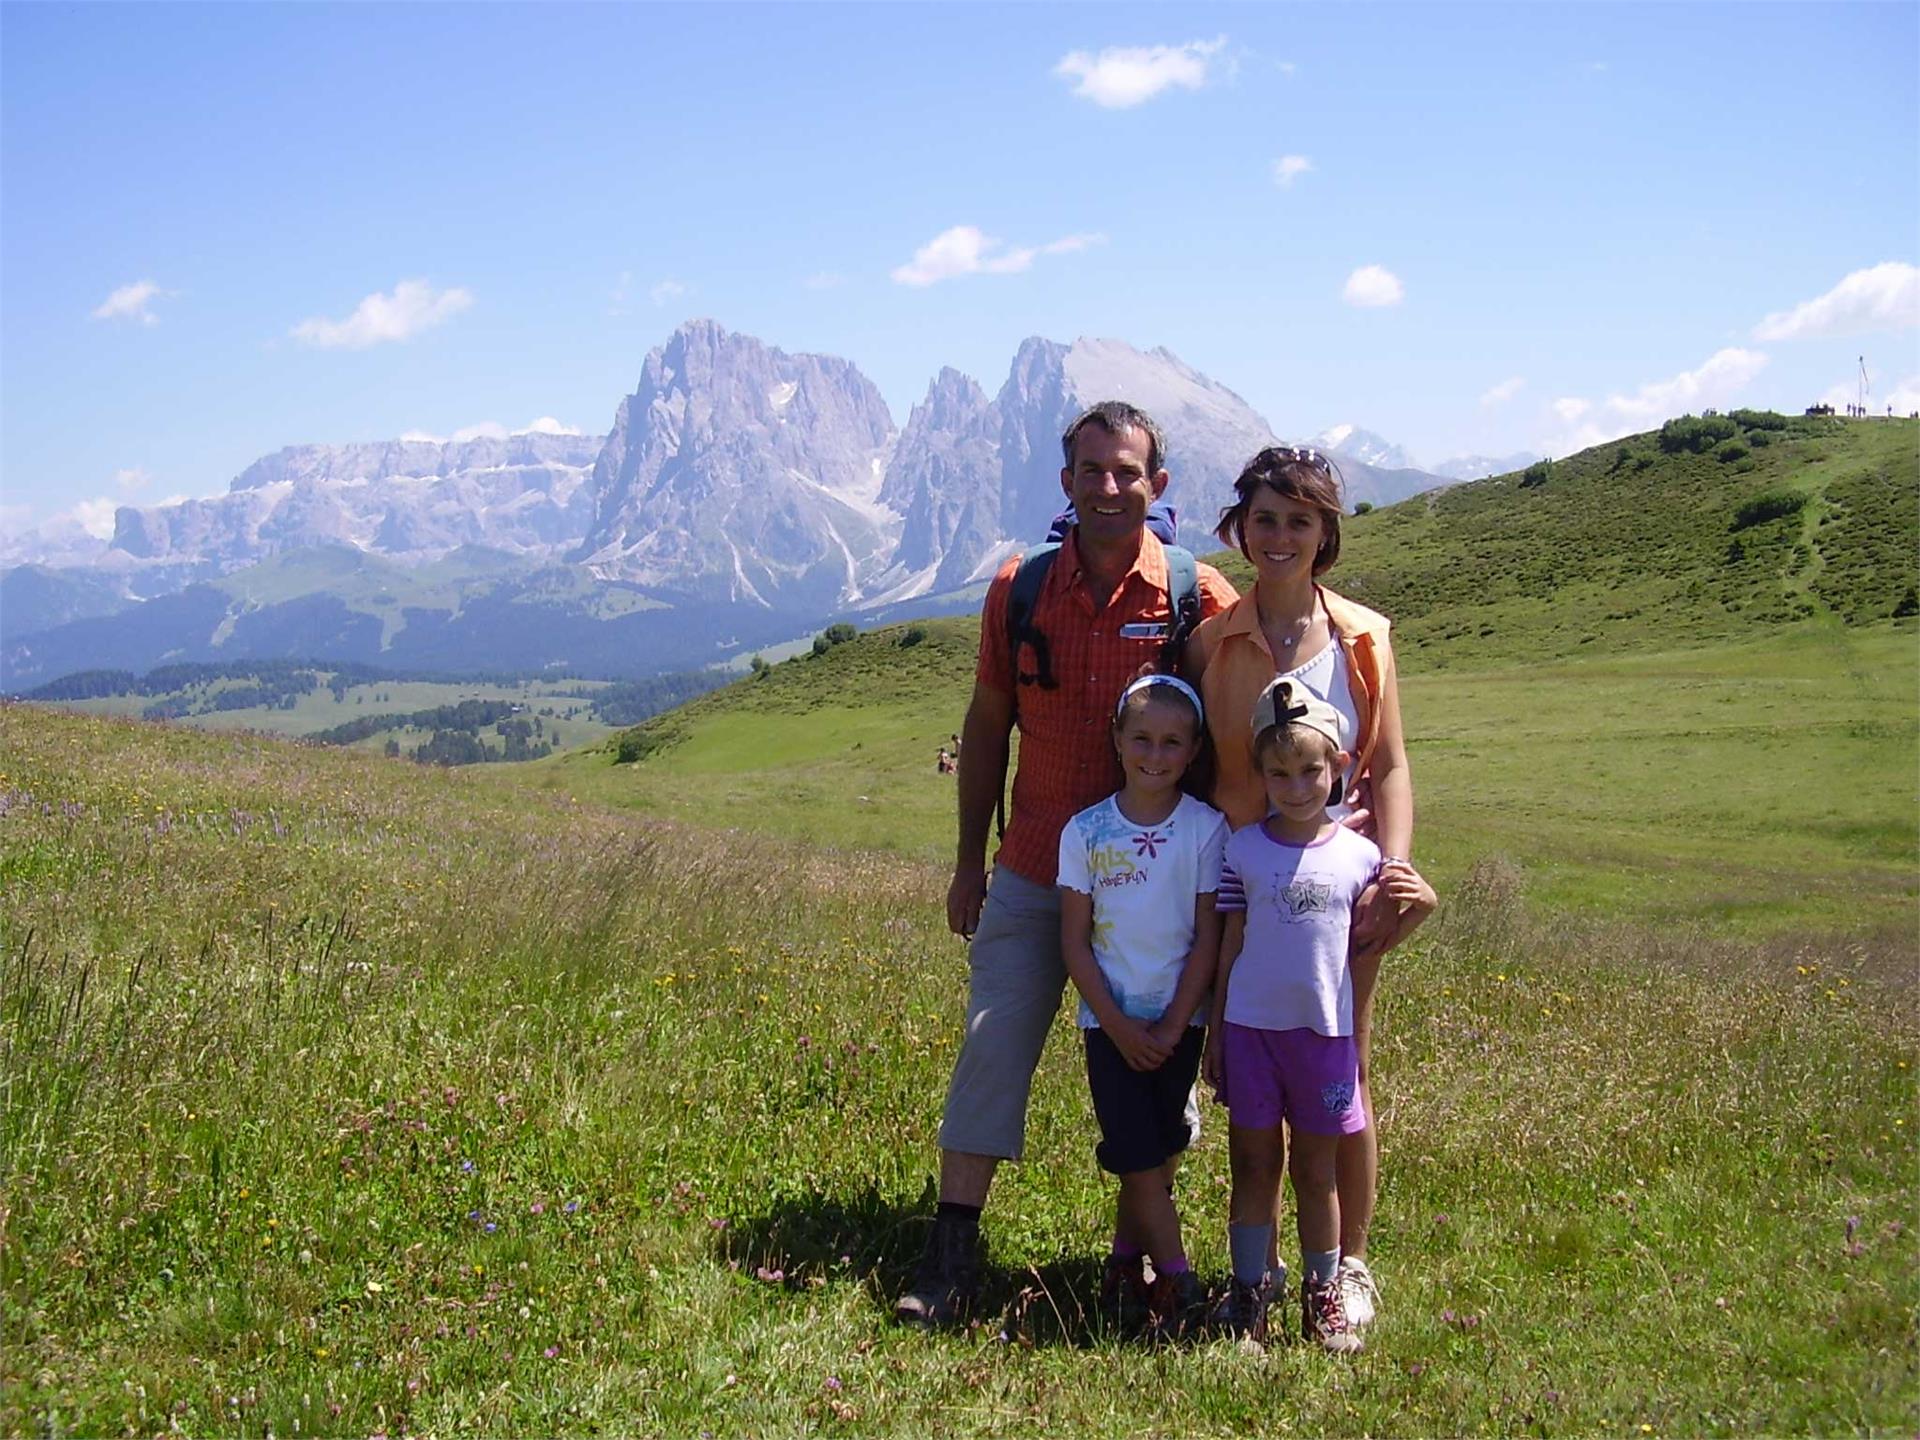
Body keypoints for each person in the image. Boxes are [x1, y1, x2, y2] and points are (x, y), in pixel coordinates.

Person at [893, 402, 1236, 1328]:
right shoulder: (1020, 587)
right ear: (1067, 483)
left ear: (1157, 487)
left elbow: (1242, 726)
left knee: (1153, 1062)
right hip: (1038, 866)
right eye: (1093, 470)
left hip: (1159, 890)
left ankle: (1139, 1265)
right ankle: (952, 1250)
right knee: (991, 1047)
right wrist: (970, 862)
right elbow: (987, 723)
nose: (1110, 487)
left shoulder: (1196, 595)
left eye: (1128, 472)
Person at [1186, 444, 1422, 1333]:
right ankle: (1264, 1274)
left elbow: (1391, 765)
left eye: (1300, 520)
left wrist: (1390, 873)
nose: (1279, 536)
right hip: (1243, 887)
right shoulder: (1214, 640)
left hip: (1340, 891)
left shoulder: (1365, 636)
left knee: (1344, 1067)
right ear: (1241, 529)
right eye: (1265, 519)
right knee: (1252, 1066)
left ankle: (1348, 1265)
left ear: (1325, 533)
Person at [1204, 680, 1435, 1352]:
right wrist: (1217, 1031)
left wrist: (1420, 907)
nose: (1296, 786)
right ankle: (1249, 1295)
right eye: (1278, 773)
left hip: (1323, 1041)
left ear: (1337, 768)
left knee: (1316, 1170)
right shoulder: (1242, 850)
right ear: (1261, 774)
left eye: (1310, 770)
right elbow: (1231, 946)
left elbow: (1378, 936)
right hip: (1250, 1034)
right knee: (1252, 1165)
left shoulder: (1363, 858)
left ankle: (1322, 1295)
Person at [1056, 675, 1227, 1335]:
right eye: (1142, 739)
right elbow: (1074, 942)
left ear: (1193, 750)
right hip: (1109, 1023)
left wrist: (1175, 1021)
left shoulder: (1205, 830)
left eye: (1172, 742)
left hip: (1179, 1022)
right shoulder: (1087, 831)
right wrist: (1120, 1024)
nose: (1156, 755)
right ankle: (1181, 1281)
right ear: (1117, 741)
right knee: (1132, 1149)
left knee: (1155, 1149)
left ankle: (1125, 1264)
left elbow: (1207, 936)